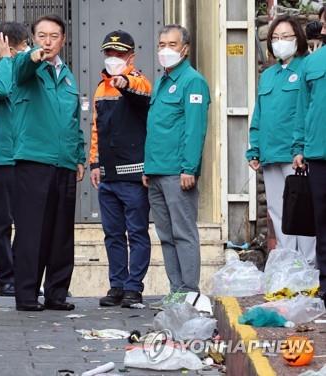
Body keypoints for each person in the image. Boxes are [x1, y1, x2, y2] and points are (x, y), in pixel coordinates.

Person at [12, 14, 86, 311]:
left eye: (54, 36)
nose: (48, 41)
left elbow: (73, 121)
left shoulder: (67, 75)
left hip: (65, 163)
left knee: (61, 232)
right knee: (33, 231)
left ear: (63, 39)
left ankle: (57, 292)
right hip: (34, 160)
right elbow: (21, 69)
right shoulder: (28, 67)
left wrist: (79, 156)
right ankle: (27, 295)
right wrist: (33, 56)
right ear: (33, 38)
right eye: (42, 35)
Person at [143, 24, 210, 296]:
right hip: (157, 170)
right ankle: (176, 292)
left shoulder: (193, 81)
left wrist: (189, 168)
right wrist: (147, 166)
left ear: (185, 48)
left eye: (172, 44)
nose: (165, 50)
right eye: (161, 44)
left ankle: (190, 292)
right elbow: (156, 127)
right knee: (166, 236)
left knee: (183, 234)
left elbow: (195, 129)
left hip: (178, 172)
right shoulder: (161, 82)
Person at [88, 30, 152, 308]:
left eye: (119, 53)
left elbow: (141, 91)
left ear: (131, 56)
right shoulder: (101, 89)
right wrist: (94, 163)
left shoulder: (139, 82)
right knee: (112, 234)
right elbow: (95, 129)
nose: (113, 58)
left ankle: (133, 287)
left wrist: (125, 81)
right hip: (108, 176)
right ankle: (117, 285)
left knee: (136, 232)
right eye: (109, 53)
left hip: (134, 174)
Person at [246, 15, 315, 262]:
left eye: (286, 37)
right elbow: (259, 114)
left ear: (298, 39)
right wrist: (254, 148)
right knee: (278, 212)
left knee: (303, 213)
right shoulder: (268, 75)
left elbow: (308, 112)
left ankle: (308, 268)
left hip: (296, 155)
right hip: (270, 154)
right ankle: (288, 268)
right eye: (275, 37)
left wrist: (303, 148)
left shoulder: (307, 68)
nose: (279, 42)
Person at [0, 22, 29, 297]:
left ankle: (26, 274)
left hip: (27, 155)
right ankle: (6, 277)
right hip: (1, 158)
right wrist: (3, 59)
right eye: (23, 46)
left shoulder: (24, 66)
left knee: (28, 222)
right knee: (2, 222)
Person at [292, 25, 326, 301]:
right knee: (322, 223)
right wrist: (299, 148)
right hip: (318, 153)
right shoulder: (312, 63)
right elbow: (303, 109)